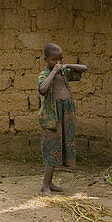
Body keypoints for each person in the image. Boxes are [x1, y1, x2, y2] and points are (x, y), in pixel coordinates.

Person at [37, 42, 87, 194]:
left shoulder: (64, 73)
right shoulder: (44, 75)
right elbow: (43, 89)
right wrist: (53, 73)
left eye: (60, 59)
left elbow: (84, 69)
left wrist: (65, 66)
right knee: (52, 148)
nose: (58, 63)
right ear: (46, 60)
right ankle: (45, 186)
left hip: (66, 114)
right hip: (52, 117)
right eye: (54, 60)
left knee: (62, 148)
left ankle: (51, 184)